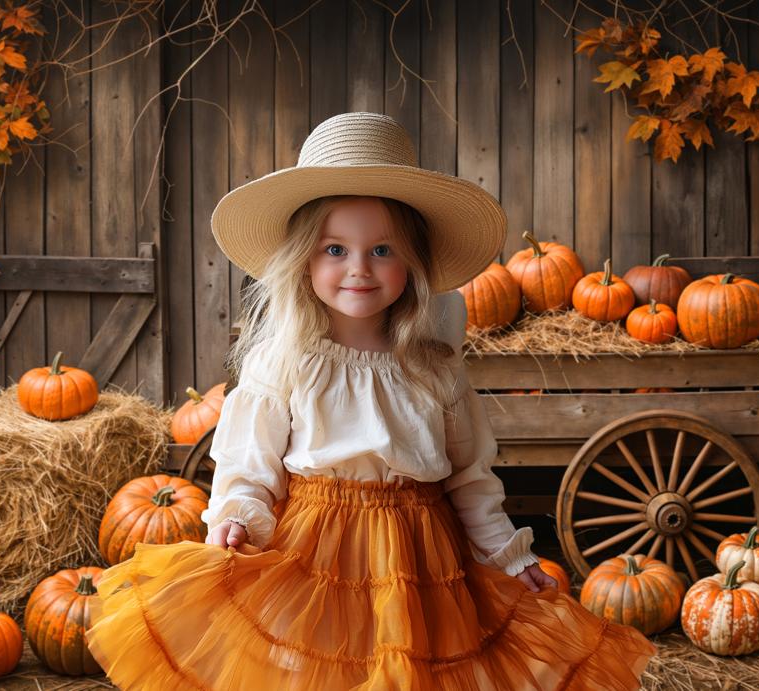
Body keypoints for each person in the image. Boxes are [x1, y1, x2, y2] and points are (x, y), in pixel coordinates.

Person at [84, 112, 656, 690]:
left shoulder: (434, 366)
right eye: (335, 248)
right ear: (304, 258)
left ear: (412, 264)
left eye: (382, 249)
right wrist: (238, 518)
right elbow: (248, 469)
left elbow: (467, 477)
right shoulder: (285, 360)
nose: (358, 268)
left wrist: (509, 557)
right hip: (315, 557)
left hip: (425, 564)